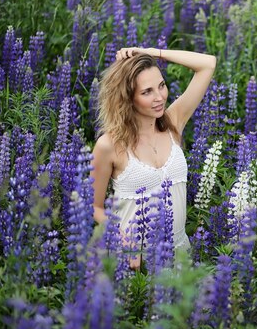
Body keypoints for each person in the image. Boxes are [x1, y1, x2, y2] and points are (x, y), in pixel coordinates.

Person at [90, 47, 216, 269]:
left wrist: (151, 53)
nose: (159, 97)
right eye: (146, 92)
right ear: (127, 98)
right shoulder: (109, 145)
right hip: (132, 261)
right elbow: (94, 206)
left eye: (161, 85)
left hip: (178, 256)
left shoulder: (173, 123)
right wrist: (123, 240)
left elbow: (208, 64)